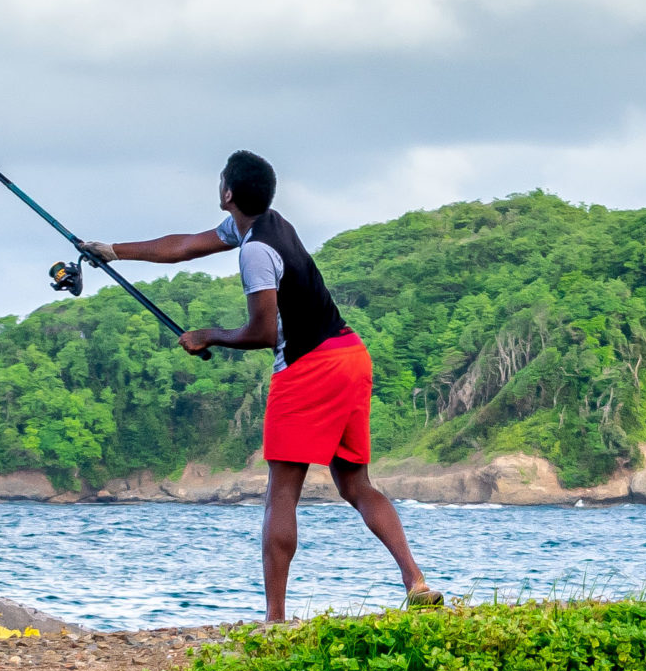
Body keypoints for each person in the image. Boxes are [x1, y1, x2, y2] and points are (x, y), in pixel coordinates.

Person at [81, 150, 438, 621]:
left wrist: (209, 335)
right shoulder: (269, 222)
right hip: (351, 354)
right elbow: (186, 245)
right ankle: (416, 581)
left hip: (310, 368)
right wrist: (112, 251)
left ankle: (275, 619)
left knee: (281, 491)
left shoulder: (256, 252)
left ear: (228, 193)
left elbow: (263, 333)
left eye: (221, 180)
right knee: (355, 483)